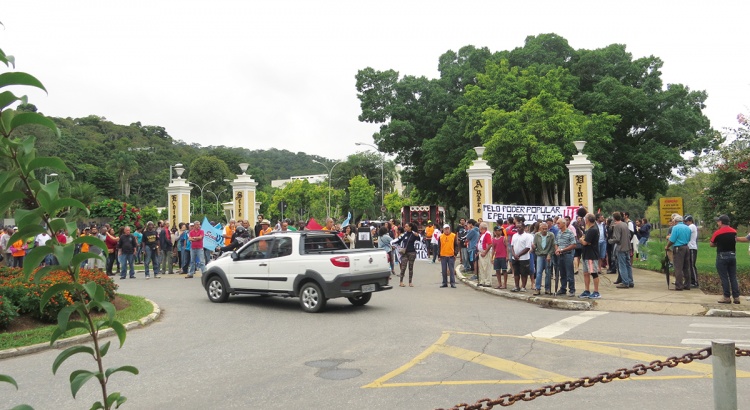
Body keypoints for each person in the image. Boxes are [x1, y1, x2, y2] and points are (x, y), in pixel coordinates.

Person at [712, 215, 741, 304]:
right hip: (732, 255)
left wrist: (718, 244)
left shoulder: (718, 232)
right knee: (733, 276)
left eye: (718, 221)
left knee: (724, 277)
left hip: (722, 255)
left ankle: (726, 297)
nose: (717, 223)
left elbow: (712, 243)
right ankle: (736, 297)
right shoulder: (734, 232)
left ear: (721, 222)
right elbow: (734, 241)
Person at [665, 214, 691, 291]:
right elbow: (689, 238)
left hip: (678, 248)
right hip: (686, 247)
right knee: (686, 267)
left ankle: (679, 285)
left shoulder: (675, 228)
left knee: (678, 267)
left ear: (675, 221)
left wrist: (667, 246)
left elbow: (672, 239)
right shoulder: (687, 228)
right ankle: (687, 284)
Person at [578, 213, 601, 299]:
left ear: (587, 220)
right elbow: (584, 238)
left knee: (593, 273)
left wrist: (582, 240)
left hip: (591, 255)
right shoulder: (589, 229)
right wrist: (583, 239)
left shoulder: (593, 230)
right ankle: (587, 290)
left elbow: (584, 242)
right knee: (585, 273)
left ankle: (596, 291)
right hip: (586, 254)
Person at [609, 212, 634, 289]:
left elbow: (617, 238)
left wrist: (610, 240)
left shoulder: (617, 226)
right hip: (627, 247)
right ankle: (630, 281)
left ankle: (625, 282)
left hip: (621, 248)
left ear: (614, 218)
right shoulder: (625, 224)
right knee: (628, 265)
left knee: (622, 265)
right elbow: (629, 235)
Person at [392, 222, 420, 287]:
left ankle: (410, 282)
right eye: (405, 227)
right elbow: (399, 240)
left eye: (407, 226)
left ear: (410, 227)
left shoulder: (414, 235)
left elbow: (420, 240)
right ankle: (401, 282)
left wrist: (417, 236)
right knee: (403, 267)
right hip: (404, 253)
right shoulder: (404, 234)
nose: (405, 228)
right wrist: (392, 244)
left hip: (412, 253)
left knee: (411, 268)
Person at [532, 221, 555, 295]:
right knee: (538, 272)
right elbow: (535, 245)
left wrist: (549, 254)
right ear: (540, 229)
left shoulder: (551, 235)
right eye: (543, 229)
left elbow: (553, 246)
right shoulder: (537, 235)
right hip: (540, 255)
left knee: (548, 273)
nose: (545, 230)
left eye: (546, 229)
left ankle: (547, 288)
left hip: (547, 256)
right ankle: (537, 288)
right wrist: (534, 247)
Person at [554, 219, 576, 297]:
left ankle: (572, 289)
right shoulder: (559, 233)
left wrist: (563, 249)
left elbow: (573, 244)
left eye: (559, 223)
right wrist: (557, 249)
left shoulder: (570, 233)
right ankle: (563, 288)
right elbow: (556, 242)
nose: (557, 225)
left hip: (568, 254)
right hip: (560, 255)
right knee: (562, 273)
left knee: (569, 273)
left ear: (564, 224)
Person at [510, 222, 533, 292]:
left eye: (520, 227)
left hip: (524, 258)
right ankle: (517, 286)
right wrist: (514, 254)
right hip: (515, 257)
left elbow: (527, 248)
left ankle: (523, 286)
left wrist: (519, 255)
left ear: (523, 227)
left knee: (524, 273)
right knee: (516, 273)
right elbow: (512, 246)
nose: (518, 229)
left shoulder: (527, 236)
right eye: (517, 227)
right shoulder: (514, 236)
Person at [438, 224, 458, 288]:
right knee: (444, 270)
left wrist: (455, 254)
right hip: (443, 255)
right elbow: (439, 246)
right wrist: (439, 256)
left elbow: (456, 245)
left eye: (447, 229)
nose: (446, 230)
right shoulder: (440, 237)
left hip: (451, 255)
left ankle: (452, 283)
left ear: (449, 229)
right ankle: (444, 283)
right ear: (443, 230)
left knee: (451, 270)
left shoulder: (453, 236)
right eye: (445, 229)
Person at [476, 222, 494, 287]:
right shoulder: (483, 234)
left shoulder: (487, 234)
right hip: (481, 252)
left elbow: (490, 244)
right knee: (482, 268)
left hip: (485, 253)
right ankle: (482, 280)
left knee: (487, 267)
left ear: (482, 228)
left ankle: (487, 282)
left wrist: (485, 252)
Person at [684, 215, 699, 288]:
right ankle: (691, 281)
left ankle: (695, 281)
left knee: (692, 265)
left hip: (692, 247)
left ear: (690, 221)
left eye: (686, 221)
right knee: (689, 265)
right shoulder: (689, 226)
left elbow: (685, 232)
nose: (685, 223)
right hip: (689, 247)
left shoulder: (692, 226)